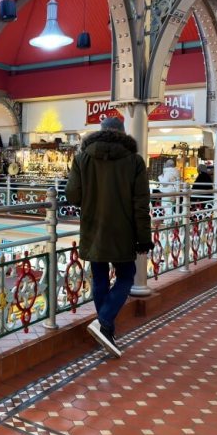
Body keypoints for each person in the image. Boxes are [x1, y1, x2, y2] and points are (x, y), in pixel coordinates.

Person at [65, 117, 152, 358]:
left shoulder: (82, 158)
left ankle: (105, 326)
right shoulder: (134, 161)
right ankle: (104, 324)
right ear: (123, 134)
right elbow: (141, 204)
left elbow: (72, 195)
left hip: (93, 229)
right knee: (126, 277)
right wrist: (144, 237)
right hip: (123, 231)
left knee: (100, 276)